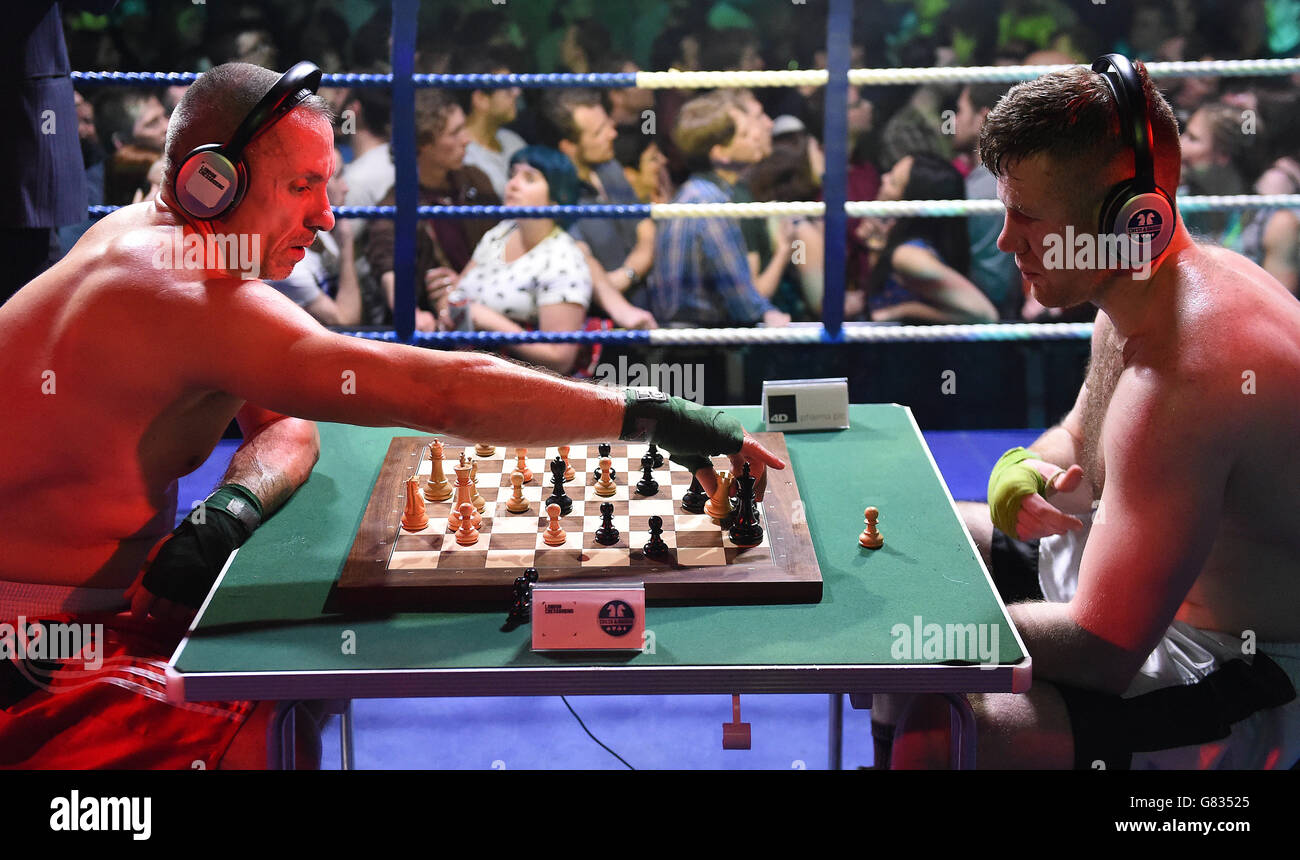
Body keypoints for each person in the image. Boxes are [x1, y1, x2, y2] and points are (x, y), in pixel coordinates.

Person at [0, 62, 783, 769]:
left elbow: (286, 423)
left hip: (91, 609)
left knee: (282, 689)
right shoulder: (186, 294)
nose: (327, 218)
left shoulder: (153, 241)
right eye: (302, 186)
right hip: (28, 648)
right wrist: (647, 411)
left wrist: (230, 510)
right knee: (250, 733)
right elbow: (441, 393)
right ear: (215, 183)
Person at [879, 58, 1300, 770]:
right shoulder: (1134, 297)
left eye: (1029, 218)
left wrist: (934, 634)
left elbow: (1105, 649)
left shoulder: (1190, 373)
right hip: (1130, 594)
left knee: (975, 711)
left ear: (1132, 221)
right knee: (916, 545)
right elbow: (1074, 436)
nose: (1008, 240)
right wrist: (1023, 472)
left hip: (1236, 663)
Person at [438, 147, 593, 375]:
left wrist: (492, 323)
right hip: (469, 372)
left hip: (518, 387)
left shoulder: (563, 258)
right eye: (513, 175)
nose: (512, 185)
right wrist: (446, 309)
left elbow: (560, 358)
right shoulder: (500, 233)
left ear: (558, 198)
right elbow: (460, 295)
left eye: (529, 178)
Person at [648, 91, 790, 327]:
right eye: (743, 134)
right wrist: (768, 313)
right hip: (696, 347)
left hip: (687, 342)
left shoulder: (700, 192)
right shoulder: (710, 201)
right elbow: (743, 302)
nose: (755, 137)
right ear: (720, 153)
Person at [365, 89, 500, 329]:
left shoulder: (476, 181)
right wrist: (412, 316)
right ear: (424, 143)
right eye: (455, 132)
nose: (466, 139)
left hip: (493, 311)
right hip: (438, 334)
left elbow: (505, 243)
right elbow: (388, 270)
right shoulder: (395, 206)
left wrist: (466, 282)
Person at [538, 89, 656, 330]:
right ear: (569, 147)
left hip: (646, 307)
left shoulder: (609, 166)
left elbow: (646, 230)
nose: (613, 134)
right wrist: (614, 282)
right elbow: (585, 267)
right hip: (604, 332)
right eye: (599, 132)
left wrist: (626, 274)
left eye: (608, 125)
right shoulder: (554, 198)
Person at [861, 153, 997, 323]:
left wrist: (907, 311)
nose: (883, 178)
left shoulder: (908, 255)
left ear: (908, 201)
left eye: (893, 182)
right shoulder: (907, 247)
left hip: (914, 348)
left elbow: (985, 315)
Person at [267, 146, 362, 326]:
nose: (346, 187)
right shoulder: (291, 266)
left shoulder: (319, 234)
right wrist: (347, 246)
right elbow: (345, 320)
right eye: (338, 176)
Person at [953, 82, 1019, 317]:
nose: (954, 120)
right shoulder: (1019, 177)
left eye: (960, 111)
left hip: (980, 319)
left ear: (983, 118)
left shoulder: (980, 189)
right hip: (1008, 317)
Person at [456, 53, 526, 199]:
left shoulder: (513, 141)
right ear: (481, 99)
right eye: (508, 89)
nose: (517, 92)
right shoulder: (462, 155)